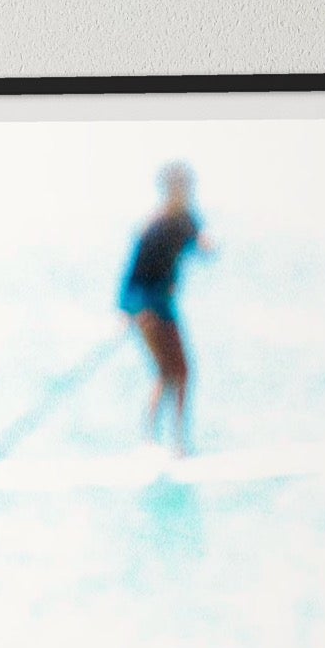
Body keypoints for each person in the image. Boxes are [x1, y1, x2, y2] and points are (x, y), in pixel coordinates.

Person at [118, 163, 209, 453]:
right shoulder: (154, 227)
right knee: (166, 372)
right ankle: (150, 442)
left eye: (185, 187)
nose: (182, 193)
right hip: (146, 307)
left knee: (181, 372)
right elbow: (132, 277)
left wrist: (207, 246)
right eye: (177, 187)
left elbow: (200, 245)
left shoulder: (188, 222)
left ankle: (178, 444)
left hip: (165, 307)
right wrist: (129, 311)